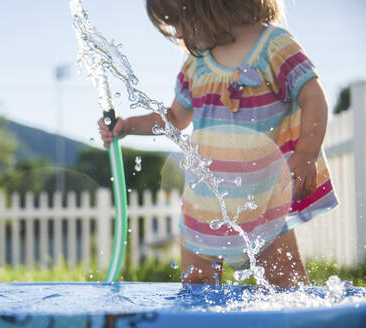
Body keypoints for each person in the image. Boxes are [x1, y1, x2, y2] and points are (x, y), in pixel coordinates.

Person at [98, 0, 338, 288]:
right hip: (203, 206)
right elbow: (174, 118)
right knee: (197, 287)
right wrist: (128, 126)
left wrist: (306, 154)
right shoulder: (196, 63)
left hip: (264, 204)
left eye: (178, 19)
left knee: (285, 285)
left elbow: (313, 96)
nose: (177, 32)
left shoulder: (274, 46)